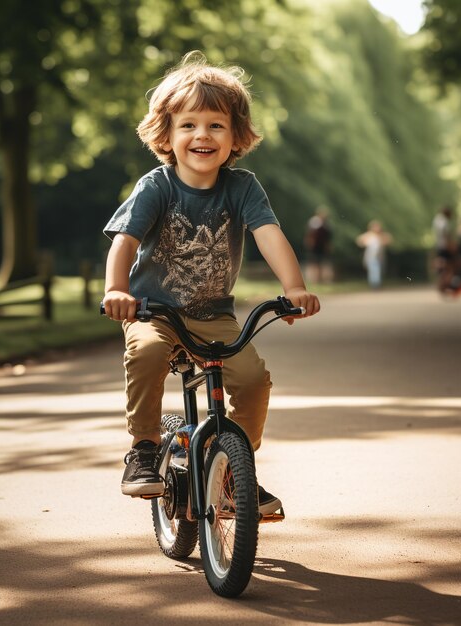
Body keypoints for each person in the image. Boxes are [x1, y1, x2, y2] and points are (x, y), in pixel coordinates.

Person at [101, 51, 320, 516]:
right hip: (151, 311)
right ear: (167, 134)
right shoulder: (156, 186)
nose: (202, 135)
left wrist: (294, 287)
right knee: (147, 353)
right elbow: (125, 241)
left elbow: (269, 235)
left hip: (214, 316)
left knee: (254, 380)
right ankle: (143, 449)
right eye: (188, 125)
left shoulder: (242, 188)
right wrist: (117, 291)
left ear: (235, 135)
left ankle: (233, 471)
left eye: (216, 125)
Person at [356, 220, 392, 289]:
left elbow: (389, 240)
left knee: (378, 269)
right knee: (374, 269)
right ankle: (375, 284)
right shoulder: (369, 235)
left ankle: (376, 283)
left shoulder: (381, 235)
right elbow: (359, 241)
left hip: (380, 256)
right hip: (371, 256)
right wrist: (365, 243)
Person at [304, 207, 333, 284]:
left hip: (321, 246)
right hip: (315, 246)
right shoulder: (315, 222)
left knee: (322, 263)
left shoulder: (325, 224)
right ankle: (314, 279)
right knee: (314, 263)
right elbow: (311, 235)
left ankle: (322, 279)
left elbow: (327, 237)